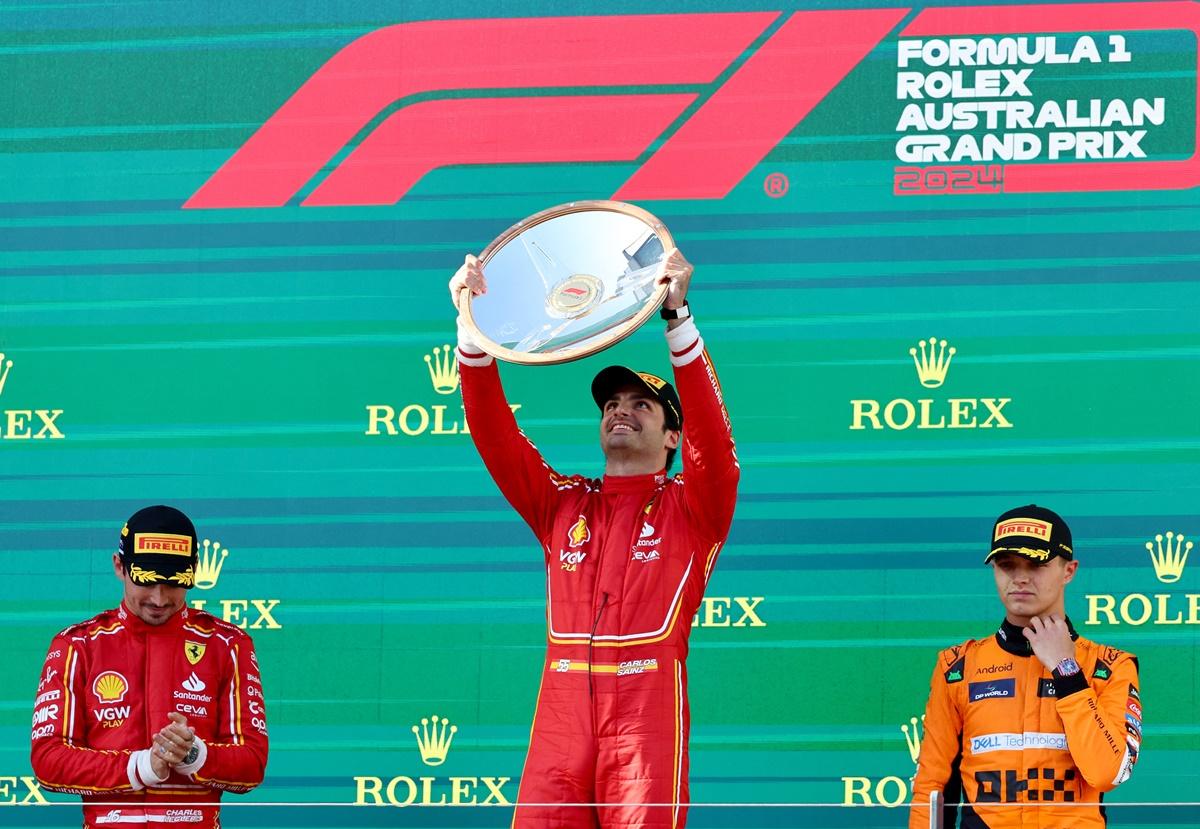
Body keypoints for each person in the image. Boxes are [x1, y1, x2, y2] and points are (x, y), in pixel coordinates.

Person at [450, 248, 738, 829]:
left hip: (645, 713)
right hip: (560, 715)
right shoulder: (562, 502)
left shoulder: (693, 506)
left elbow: (716, 444)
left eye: (641, 404)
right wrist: (472, 332)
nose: (620, 412)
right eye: (610, 403)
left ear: (673, 435)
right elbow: (494, 435)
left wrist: (679, 321)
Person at [31, 505, 268, 829]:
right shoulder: (77, 645)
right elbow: (48, 760)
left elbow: (252, 763)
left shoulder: (228, 644)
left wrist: (195, 755)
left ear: (194, 570)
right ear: (119, 566)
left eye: (173, 583)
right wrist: (140, 766)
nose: (159, 598)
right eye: (146, 581)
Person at [909, 505, 1141, 829]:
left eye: (1035, 564)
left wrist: (1067, 670)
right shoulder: (957, 667)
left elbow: (1107, 772)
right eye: (1006, 565)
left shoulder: (1109, 666)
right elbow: (932, 786)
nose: (1019, 578)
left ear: (1069, 571)